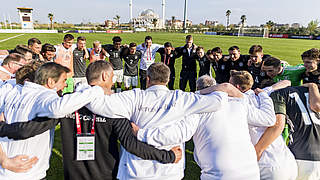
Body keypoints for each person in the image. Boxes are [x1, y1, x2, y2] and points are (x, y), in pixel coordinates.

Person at [0, 60, 182, 180]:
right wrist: (168, 156)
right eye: (112, 77)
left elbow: (31, 128)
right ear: (105, 76)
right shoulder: (115, 107)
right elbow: (131, 144)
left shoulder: (66, 102)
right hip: (106, 174)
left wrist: (3, 127)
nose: (113, 81)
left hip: (73, 174)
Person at [78, 62, 244, 179]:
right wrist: (204, 92)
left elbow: (97, 104)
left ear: (148, 79)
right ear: (168, 79)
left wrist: (82, 87)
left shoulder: (134, 96)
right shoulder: (182, 98)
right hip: (170, 171)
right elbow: (218, 101)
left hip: (136, 171)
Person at [133, 74, 276, 180]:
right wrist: (263, 96)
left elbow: (178, 133)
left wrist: (141, 133)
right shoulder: (239, 103)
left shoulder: (195, 108)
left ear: (198, 88)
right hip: (251, 171)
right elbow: (269, 119)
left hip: (219, 174)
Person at [0, 62, 104, 179]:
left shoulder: (12, 92)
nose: (65, 85)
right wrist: (96, 90)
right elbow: (58, 108)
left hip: (5, 170)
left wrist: (4, 160)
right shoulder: (44, 97)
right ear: (50, 82)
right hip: (26, 173)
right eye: (63, 80)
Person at [229, 70, 297, 180]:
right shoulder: (263, 94)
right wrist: (265, 92)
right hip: (288, 161)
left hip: (265, 164)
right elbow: (286, 82)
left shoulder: (238, 103)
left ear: (236, 87)